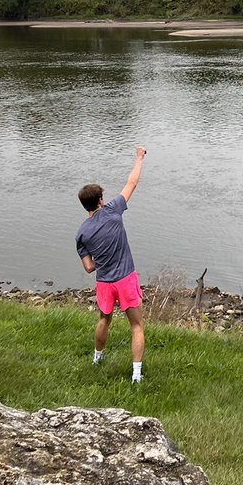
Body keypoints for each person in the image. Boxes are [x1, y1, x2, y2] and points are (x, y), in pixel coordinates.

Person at [76, 146, 147, 383]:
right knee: (136, 326)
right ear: (100, 200)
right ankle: (136, 374)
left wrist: (101, 258)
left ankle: (97, 357)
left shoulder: (82, 233)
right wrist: (139, 157)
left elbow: (88, 267)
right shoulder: (114, 210)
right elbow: (132, 182)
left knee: (104, 320)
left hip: (104, 282)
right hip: (125, 278)